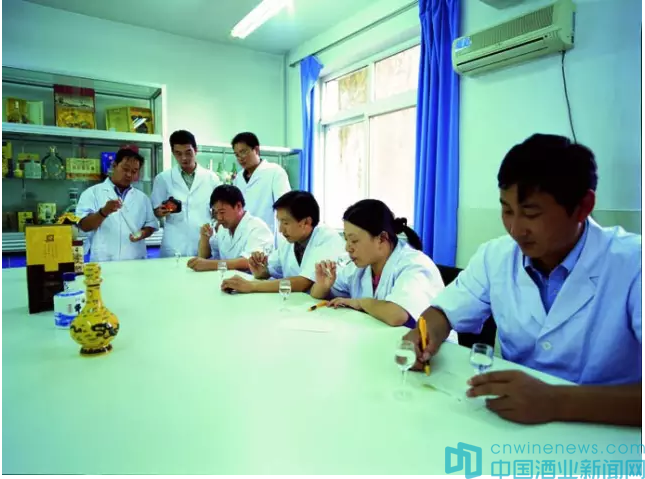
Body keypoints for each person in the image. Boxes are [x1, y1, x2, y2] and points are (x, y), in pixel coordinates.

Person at [404, 133, 641, 427]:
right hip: (513, 425)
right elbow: (444, 312)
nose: (515, 229)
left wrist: (556, 401)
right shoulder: (495, 256)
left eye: (531, 213)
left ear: (583, 206)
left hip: (608, 435)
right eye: (507, 210)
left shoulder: (633, 264)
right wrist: (424, 336)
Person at [310, 199, 445, 328]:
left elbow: (397, 315)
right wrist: (323, 286)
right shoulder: (359, 266)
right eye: (346, 240)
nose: (348, 248)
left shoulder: (414, 264)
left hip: (426, 343)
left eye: (354, 241)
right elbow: (317, 294)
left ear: (381, 238)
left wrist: (361, 303)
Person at [221, 191, 345, 294]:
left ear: (306, 222)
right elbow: (273, 270)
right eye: (279, 222)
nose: (280, 230)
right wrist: (262, 272)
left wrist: (252, 286)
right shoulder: (290, 241)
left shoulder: (327, 238)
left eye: (285, 223)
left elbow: (303, 282)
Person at [76, 147, 158, 262]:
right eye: (125, 169)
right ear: (114, 165)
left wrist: (142, 233)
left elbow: (151, 225)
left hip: (135, 261)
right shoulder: (92, 193)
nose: (129, 174)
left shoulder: (143, 198)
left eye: (134, 171)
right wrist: (103, 212)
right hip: (104, 261)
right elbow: (84, 226)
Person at [151, 130, 221, 257]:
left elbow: (219, 210)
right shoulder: (163, 179)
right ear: (173, 153)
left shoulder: (212, 178)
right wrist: (160, 211)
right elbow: (155, 211)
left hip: (203, 241)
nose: (184, 158)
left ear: (196, 150)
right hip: (174, 243)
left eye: (188, 152)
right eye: (178, 153)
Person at [187, 185, 273, 272]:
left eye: (222, 212)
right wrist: (204, 239)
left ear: (238, 206)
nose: (219, 218)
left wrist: (210, 265)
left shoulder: (257, 228)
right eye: (216, 213)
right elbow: (207, 258)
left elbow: (248, 262)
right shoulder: (223, 228)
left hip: (250, 279)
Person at [231, 132, 291, 239]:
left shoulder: (275, 172)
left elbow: (285, 208)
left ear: (256, 150)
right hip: (243, 236)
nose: (240, 158)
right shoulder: (238, 179)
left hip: (267, 237)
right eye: (237, 155)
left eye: (243, 152)